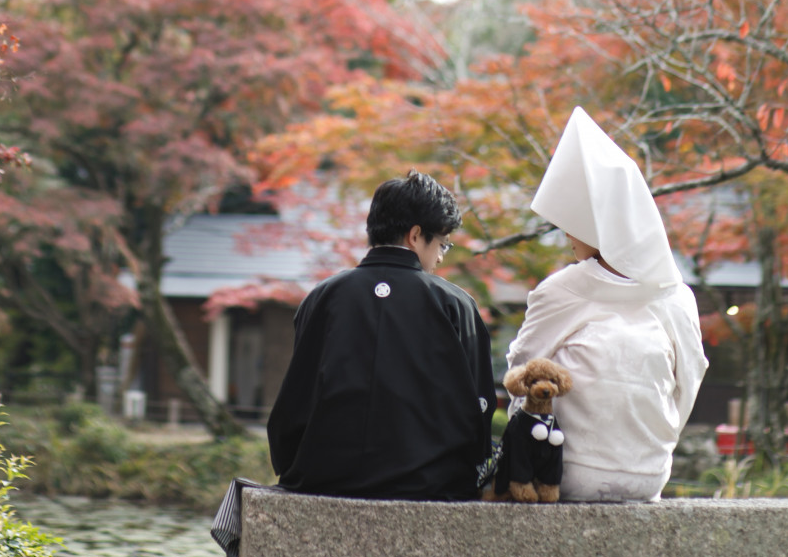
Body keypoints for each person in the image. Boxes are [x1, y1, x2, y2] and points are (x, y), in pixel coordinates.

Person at [506, 106, 708, 502]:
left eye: (571, 220)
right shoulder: (676, 295)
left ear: (597, 224)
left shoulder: (563, 289)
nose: (565, 232)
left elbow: (520, 377)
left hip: (563, 469)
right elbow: (689, 384)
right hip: (650, 473)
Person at [267, 170, 496, 501]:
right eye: (443, 243)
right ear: (416, 235)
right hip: (429, 483)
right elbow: (479, 409)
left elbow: (295, 399)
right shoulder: (455, 305)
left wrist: (292, 467)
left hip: (320, 478)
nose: (442, 256)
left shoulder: (322, 298)